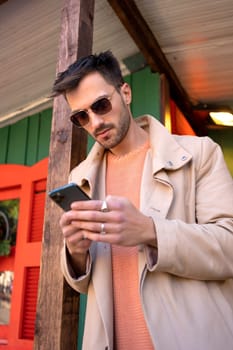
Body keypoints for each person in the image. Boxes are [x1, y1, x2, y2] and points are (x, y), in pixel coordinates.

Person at [52, 51, 233, 350]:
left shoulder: (200, 154)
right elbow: (83, 285)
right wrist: (75, 253)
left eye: (101, 105)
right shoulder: (81, 177)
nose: (95, 122)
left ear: (125, 92)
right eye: (81, 116)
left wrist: (151, 231)